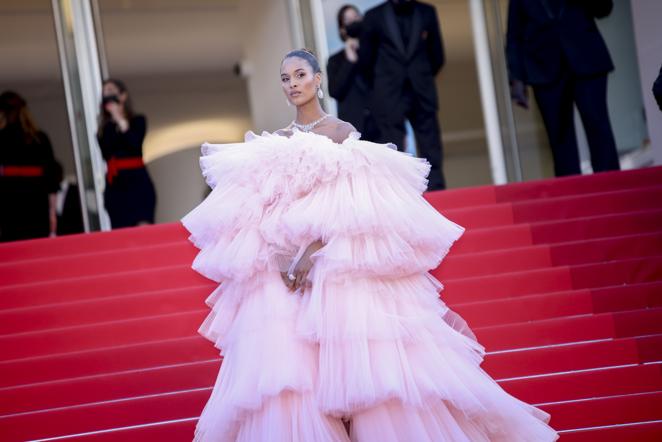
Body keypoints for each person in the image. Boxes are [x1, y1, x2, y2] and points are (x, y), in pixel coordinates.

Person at [181, 49, 559, 441]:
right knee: (285, 358)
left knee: (362, 357)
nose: (292, 84)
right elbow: (262, 209)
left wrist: (311, 254)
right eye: (285, 78)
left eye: (299, 75)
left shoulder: (341, 133)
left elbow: (351, 207)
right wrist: (280, 258)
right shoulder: (275, 143)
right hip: (284, 269)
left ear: (318, 80)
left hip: (329, 260)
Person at [506, 0, 620, 176]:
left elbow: (604, 9)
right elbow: (514, 36)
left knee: (598, 124)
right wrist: (517, 80)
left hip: (587, 59)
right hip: (543, 69)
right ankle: (572, 196)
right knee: (559, 139)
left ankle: (611, 186)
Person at [358, 0, 447, 190]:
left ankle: (437, 191)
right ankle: (399, 192)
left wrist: (422, 76)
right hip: (389, 93)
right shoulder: (374, 17)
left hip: (421, 89)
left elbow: (438, 55)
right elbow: (365, 61)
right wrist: (381, 86)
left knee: (430, 144)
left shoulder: (427, 12)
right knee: (392, 147)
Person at [0, 91, 61, 242]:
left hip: (15, 198)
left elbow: (51, 175)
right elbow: (52, 177)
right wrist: (52, 213)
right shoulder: (39, 138)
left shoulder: (37, 138)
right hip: (30, 198)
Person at [97, 79, 156, 228]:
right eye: (104, 92)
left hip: (138, 184)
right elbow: (107, 154)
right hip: (116, 188)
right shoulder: (104, 129)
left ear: (122, 96)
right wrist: (111, 122)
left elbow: (134, 143)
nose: (106, 95)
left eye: (110, 91)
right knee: (122, 233)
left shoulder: (138, 120)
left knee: (144, 228)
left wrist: (120, 119)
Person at [326, 4, 380, 142]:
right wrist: (349, 61)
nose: (354, 23)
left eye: (356, 17)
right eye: (348, 20)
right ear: (342, 30)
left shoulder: (376, 53)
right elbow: (335, 91)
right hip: (353, 131)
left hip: (382, 125)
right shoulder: (335, 60)